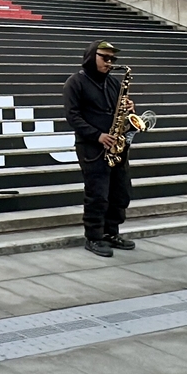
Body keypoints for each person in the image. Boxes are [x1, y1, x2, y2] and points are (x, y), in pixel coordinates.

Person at [63, 40, 136, 257]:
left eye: (113, 58)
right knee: (97, 194)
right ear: (91, 56)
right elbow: (72, 116)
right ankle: (94, 237)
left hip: (116, 145)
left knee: (120, 192)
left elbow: (119, 111)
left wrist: (129, 108)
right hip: (92, 148)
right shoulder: (75, 82)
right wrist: (98, 135)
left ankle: (111, 233)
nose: (109, 62)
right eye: (105, 57)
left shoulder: (113, 83)